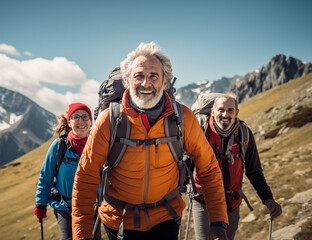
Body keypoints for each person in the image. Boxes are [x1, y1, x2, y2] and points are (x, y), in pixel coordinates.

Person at [71, 42, 229, 240]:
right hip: (119, 223)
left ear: (164, 83)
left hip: (166, 219)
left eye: (154, 76)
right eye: (139, 76)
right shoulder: (109, 120)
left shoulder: (183, 118)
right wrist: (81, 236)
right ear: (128, 81)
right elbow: (86, 178)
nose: (146, 83)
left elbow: (208, 168)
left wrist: (218, 221)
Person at [192, 95, 282, 240]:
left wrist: (267, 198)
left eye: (230, 110)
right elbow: (185, 163)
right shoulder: (201, 131)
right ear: (212, 112)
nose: (225, 114)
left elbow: (254, 171)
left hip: (232, 203)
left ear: (236, 112)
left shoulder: (244, 134)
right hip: (204, 202)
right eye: (221, 110)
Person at [34, 103, 93, 240]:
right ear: (69, 122)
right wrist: (40, 204)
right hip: (64, 207)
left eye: (85, 117)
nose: (81, 121)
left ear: (91, 121)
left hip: (90, 206)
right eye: (76, 117)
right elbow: (45, 177)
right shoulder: (59, 145)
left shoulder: (97, 144)